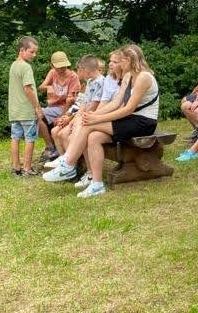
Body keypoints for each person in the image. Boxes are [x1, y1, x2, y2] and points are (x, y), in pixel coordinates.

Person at [42, 44, 159, 198]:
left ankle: (68, 164)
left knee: (88, 125)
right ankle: (96, 183)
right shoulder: (128, 76)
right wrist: (95, 115)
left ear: (130, 60)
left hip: (143, 122)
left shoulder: (143, 77)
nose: (118, 64)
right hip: (130, 119)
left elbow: (128, 109)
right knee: (93, 137)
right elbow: (116, 103)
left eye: (121, 61)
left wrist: (97, 118)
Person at [51, 55, 106, 157]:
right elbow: (83, 103)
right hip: (81, 115)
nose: (77, 72)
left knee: (64, 134)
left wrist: (72, 119)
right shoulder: (90, 81)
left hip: (90, 117)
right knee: (59, 132)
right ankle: (66, 160)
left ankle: (70, 161)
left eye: (79, 70)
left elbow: (93, 106)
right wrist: (72, 118)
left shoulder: (101, 82)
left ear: (85, 70)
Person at [8, 36, 44, 176]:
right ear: (22, 50)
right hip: (27, 111)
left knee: (15, 138)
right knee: (30, 139)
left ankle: (16, 167)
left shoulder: (14, 65)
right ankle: (27, 169)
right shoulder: (26, 67)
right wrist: (37, 107)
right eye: (31, 52)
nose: (34, 55)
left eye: (35, 52)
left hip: (15, 111)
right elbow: (28, 88)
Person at [37, 51, 81, 160]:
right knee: (37, 115)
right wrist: (48, 87)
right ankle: (51, 146)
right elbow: (40, 87)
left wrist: (62, 116)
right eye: (59, 67)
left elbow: (70, 101)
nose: (62, 69)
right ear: (52, 66)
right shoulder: (53, 73)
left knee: (37, 113)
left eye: (64, 66)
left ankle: (52, 148)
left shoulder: (73, 77)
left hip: (65, 108)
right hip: (52, 107)